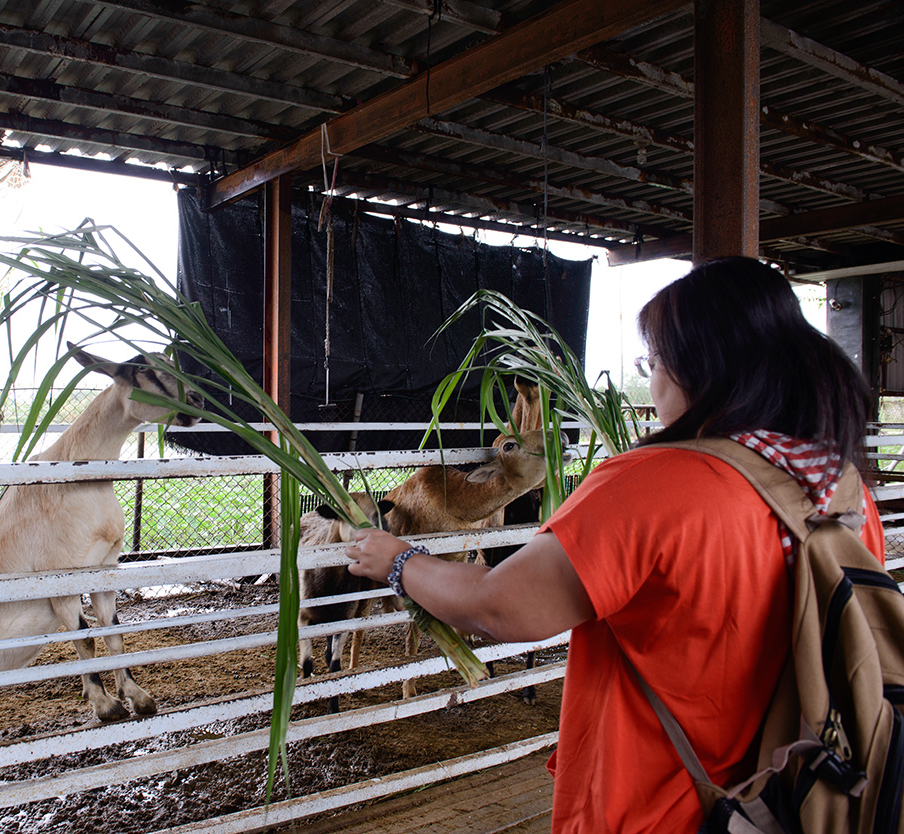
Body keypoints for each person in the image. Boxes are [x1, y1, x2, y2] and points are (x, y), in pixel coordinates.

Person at [346, 256, 887, 833]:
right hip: (787, 802)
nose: (649, 379)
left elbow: (499, 606)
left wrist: (398, 561)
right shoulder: (842, 496)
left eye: (651, 361)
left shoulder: (654, 484)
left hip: (656, 810)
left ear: (695, 370)